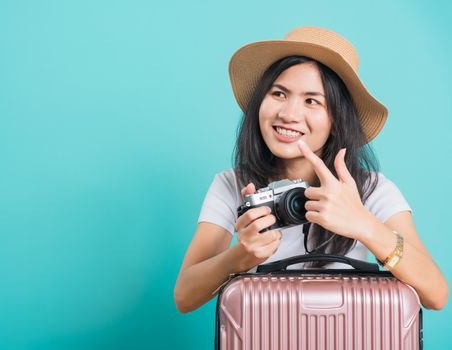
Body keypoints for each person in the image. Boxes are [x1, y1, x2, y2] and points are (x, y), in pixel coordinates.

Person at [174, 26, 448, 313]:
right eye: (279, 93)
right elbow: (185, 297)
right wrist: (241, 256)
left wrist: (363, 224)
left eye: (312, 101)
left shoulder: (369, 189)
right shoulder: (233, 184)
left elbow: (436, 294)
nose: (289, 114)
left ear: (336, 119)